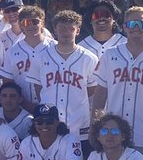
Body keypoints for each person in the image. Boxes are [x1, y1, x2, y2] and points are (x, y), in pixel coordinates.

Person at [90, 6, 143, 160]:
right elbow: (100, 94)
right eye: (131, 24)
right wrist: (94, 127)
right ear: (124, 27)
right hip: (113, 134)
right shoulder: (110, 55)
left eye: (141, 24)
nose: (135, 28)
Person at [27, 10, 98, 152]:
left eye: (71, 28)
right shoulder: (41, 56)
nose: (66, 32)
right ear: (55, 30)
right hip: (48, 122)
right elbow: (38, 87)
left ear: (77, 31)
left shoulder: (89, 58)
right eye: (62, 28)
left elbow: (92, 88)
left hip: (79, 121)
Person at [0, 4, 51, 108]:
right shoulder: (13, 51)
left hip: (51, 106)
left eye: (35, 22)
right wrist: (24, 103)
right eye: (27, 22)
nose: (31, 26)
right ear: (21, 25)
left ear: (42, 24)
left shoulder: (55, 48)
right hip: (22, 107)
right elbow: (8, 82)